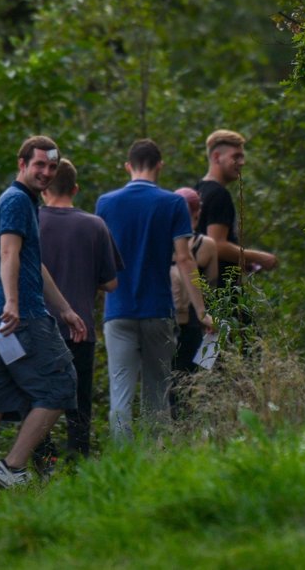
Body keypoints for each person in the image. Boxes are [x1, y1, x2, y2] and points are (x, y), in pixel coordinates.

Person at [0, 136, 87, 511]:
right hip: (19, 317)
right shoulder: (19, 201)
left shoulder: (18, 202)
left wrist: (65, 309)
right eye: (39, 165)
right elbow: (9, 252)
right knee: (62, 384)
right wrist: (15, 303)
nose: (47, 173)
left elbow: (33, 264)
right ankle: (13, 466)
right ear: (22, 163)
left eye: (52, 167)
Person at [96, 139, 213, 442]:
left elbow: (102, 259)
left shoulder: (105, 203)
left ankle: (123, 466)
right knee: (157, 391)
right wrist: (201, 311)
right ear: (160, 165)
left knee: (120, 393)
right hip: (158, 308)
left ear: (128, 166)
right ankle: (154, 462)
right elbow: (185, 259)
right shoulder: (172, 203)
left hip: (118, 309)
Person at [39, 158, 122, 457]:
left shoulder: (31, 221)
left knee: (38, 399)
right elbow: (111, 283)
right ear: (76, 188)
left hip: (38, 327)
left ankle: (40, 463)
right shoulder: (95, 225)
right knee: (78, 404)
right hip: (80, 330)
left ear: (44, 186)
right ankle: (77, 463)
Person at [194, 130, 277, 350]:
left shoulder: (197, 191)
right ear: (216, 157)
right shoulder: (219, 195)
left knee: (209, 361)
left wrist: (241, 261)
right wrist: (260, 257)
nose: (242, 162)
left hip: (200, 293)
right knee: (248, 355)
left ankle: (205, 384)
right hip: (223, 295)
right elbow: (218, 245)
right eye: (236, 157)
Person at [169, 187, 217, 417]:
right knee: (199, 380)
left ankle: (170, 431)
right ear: (197, 213)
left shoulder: (160, 243)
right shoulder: (205, 245)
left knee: (169, 382)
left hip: (165, 319)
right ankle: (196, 428)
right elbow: (213, 284)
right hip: (199, 321)